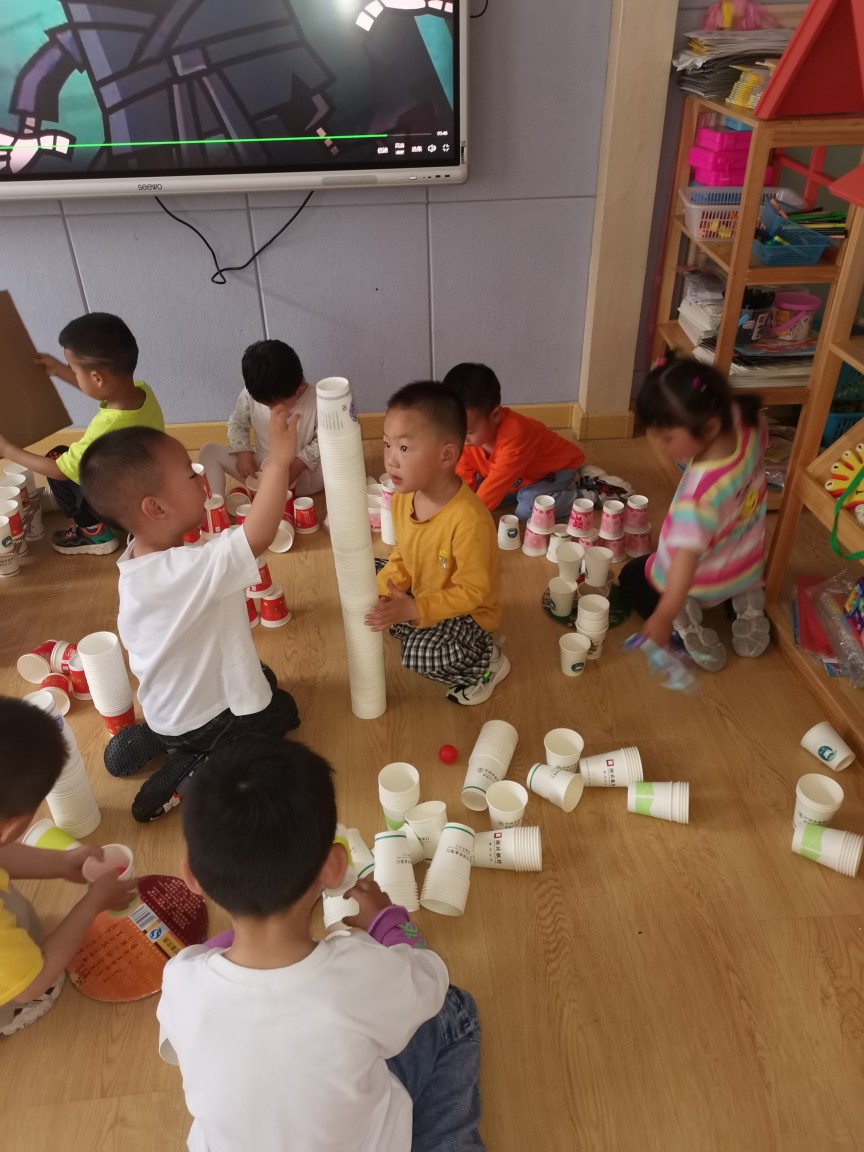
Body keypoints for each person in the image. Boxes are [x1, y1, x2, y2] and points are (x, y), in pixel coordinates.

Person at [157, 736, 484, 1152]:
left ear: (191, 873)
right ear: (334, 867)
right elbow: (430, 974)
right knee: (453, 1009)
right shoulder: (359, 975)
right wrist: (386, 920)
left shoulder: (182, 979)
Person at [78, 407, 302, 823]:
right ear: (156, 508)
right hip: (203, 718)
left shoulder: (137, 562)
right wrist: (280, 461)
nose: (201, 479)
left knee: (263, 679)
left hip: (165, 706)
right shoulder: (187, 572)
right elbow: (258, 534)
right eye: (190, 474)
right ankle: (196, 760)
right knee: (281, 712)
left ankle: (161, 736)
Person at [618, 355, 770, 673]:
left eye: (666, 437)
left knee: (632, 575)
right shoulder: (747, 421)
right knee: (732, 569)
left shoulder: (699, 500)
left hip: (700, 580)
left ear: (709, 427)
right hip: (745, 560)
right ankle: (748, 602)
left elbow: (684, 562)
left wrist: (664, 614)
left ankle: (685, 624)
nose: (658, 445)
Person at [0, 697, 138, 1037]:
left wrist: (62, 863)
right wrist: (92, 903)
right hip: (23, 989)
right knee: (25, 988)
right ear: (13, 825)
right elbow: (32, 983)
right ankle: (9, 1017)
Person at [365, 381, 507, 706]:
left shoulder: (469, 520)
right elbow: (403, 555)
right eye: (387, 444)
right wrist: (385, 590)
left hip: (469, 612)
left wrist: (416, 609)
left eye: (404, 448)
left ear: (446, 455)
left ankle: (488, 661)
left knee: (421, 655)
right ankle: (408, 616)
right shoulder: (404, 498)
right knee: (365, 577)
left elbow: (473, 592)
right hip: (426, 589)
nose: (390, 460)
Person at [0, 312, 164, 556]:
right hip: (146, 488)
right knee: (72, 461)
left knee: (57, 458)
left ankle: (92, 531)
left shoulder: (107, 426)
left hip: (126, 508)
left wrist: (8, 450)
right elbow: (101, 388)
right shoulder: (141, 392)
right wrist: (59, 371)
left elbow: (58, 470)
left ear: (96, 377)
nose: (72, 373)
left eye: (74, 370)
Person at [444, 362, 586, 521]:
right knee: (475, 493)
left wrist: (463, 519)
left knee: (529, 509)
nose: (459, 438)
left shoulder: (516, 435)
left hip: (556, 470)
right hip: (518, 476)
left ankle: (588, 495)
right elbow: (463, 481)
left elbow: (494, 487)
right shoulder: (466, 439)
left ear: (495, 415)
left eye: (469, 432)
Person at [198, 339, 322, 499]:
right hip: (261, 470)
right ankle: (216, 503)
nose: (270, 409)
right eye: (265, 404)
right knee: (209, 451)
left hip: (303, 474)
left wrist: (299, 464)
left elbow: (322, 440)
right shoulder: (252, 393)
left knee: (341, 457)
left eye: (275, 404)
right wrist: (243, 453)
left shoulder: (317, 400)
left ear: (297, 388)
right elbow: (238, 423)